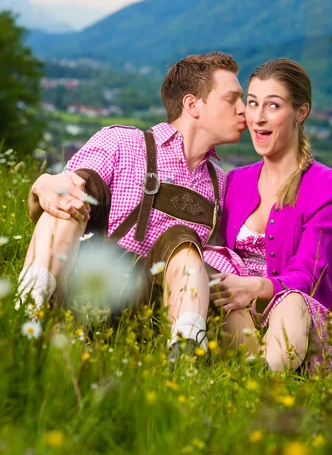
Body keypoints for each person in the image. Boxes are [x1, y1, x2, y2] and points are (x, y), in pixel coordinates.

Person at [18, 52, 247, 361]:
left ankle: (186, 352)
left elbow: (219, 264)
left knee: (183, 241)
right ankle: (25, 311)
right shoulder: (122, 143)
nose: (243, 110)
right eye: (232, 99)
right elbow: (54, 202)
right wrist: (44, 185)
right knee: (73, 191)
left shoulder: (220, 185)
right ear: (192, 104)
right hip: (82, 287)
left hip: (148, 320)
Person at [203, 58, 332, 372]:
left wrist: (258, 287)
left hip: (300, 325)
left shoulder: (329, 187)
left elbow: (308, 275)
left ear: (301, 112)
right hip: (240, 317)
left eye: (273, 106)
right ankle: (244, 379)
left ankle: (264, 385)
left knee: (292, 301)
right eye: (252, 103)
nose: (258, 118)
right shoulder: (235, 181)